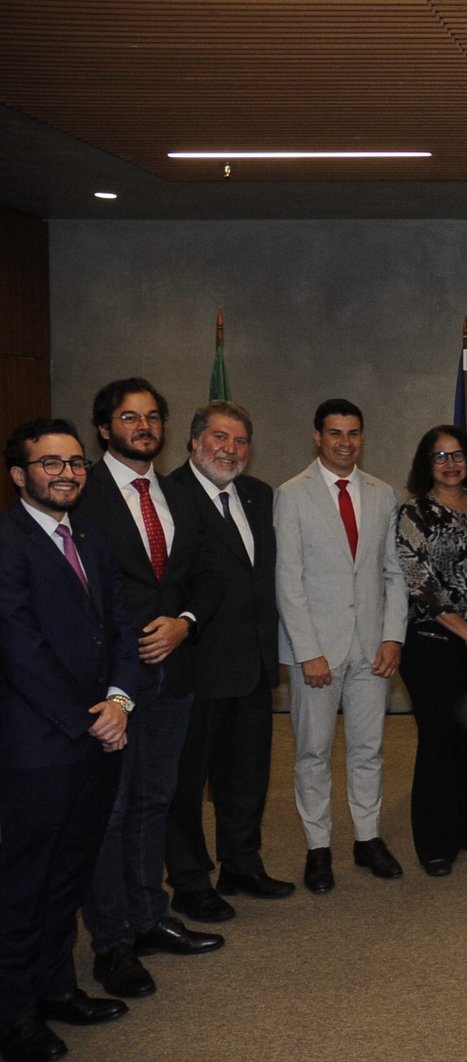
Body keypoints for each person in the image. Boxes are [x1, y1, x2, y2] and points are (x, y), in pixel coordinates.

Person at [77, 378, 223, 999]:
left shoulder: (180, 494)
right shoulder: (81, 493)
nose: (144, 427)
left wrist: (184, 623)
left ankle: (148, 917)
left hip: (174, 674)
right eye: (129, 417)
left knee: (153, 801)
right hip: (111, 681)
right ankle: (110, 942)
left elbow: (210, 577)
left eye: (153, 417)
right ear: (104, 428)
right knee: (108, 813)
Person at [0, 420, 137, 1062]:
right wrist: (88, 718)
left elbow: (123, 628)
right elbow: (19, 650)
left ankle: (55, 988)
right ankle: (12, 1013)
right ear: (19, 475)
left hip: (101, 736)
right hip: (39, 747)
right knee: (25, 882)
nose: (67, 473)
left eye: (76, 462)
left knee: (69, 875)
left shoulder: (92, 537)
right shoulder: (7, 543)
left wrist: (120, 701)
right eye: (50, 463)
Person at [165, 400, 294, 920]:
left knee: (247, 774)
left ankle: (242, 864)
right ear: (195, 440)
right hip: (196, 666)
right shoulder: (169, 495)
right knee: (186, 782)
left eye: (240, 441)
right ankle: (190, 880)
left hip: (254, 664)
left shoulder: (259, 495)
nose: (230, 449)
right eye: (220, 438)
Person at [275, 399, 408, 893]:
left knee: (368, 749)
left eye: (353, 433)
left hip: (372, 648)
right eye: (335, 433)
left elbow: (393, 573)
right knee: (313, 752)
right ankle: (318, 847)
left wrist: (393, 636)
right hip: (316, 651)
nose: (345, 442)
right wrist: (307, 650)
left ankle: (367, 839)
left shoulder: (381, 493)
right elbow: (288, 580)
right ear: (317, 437)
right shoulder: (292, 494)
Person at [395, 426, 467, 877]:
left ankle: (462, 827)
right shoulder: (413, 512)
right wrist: (466, 631)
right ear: (427, 463)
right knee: (438, 740)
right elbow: (419, 581)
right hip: (433, 643)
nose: (450, 464)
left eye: (457, 455)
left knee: (465, 739)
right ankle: (433, 843)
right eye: (440, 456)